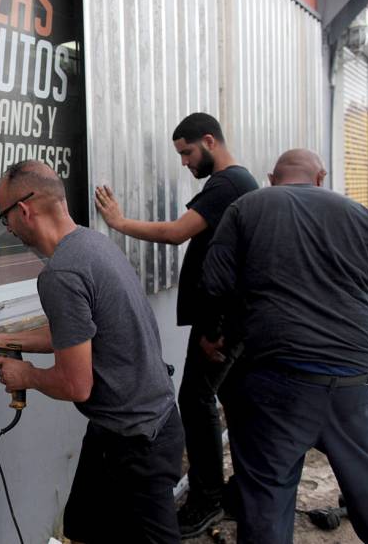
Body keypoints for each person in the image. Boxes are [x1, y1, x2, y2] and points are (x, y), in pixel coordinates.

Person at [0, 159, 183, 543]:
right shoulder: (93, 244)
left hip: (136, 443)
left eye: (5, 218)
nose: (8, 228)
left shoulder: (60, 274)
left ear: (25, 211)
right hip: (129, 427)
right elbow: (73, 332)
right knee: (82, 528)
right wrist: (2, 339)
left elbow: (76, 385)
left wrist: (24, 375)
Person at [202, 149, 368, 544]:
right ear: (321, 177)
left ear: (271, 177)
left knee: (268, 487)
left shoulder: (247, 208)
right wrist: (354, 340)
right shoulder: (363, 216)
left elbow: (216, 284)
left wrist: (220, 335)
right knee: (367, 474)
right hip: (360, 379)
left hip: (279, 380)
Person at [94, 112, 258, 536]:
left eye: (187, 152)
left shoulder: (228, 184)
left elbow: (175, 232)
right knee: (231, 402)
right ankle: (243, 492)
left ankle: (207, 499)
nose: (184, 162)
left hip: (219, 322)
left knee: (196, 400)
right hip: (224, 319)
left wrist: (118, 223)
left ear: (209, 140)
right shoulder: (236, 184)